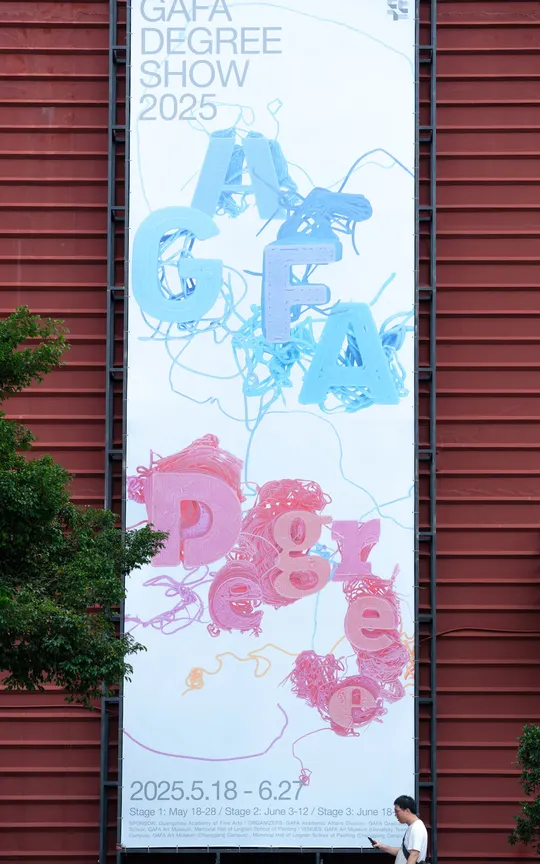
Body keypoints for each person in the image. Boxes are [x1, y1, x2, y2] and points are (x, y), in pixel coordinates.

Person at [373, 795, 428, 863]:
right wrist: (381, 846)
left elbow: (414, 855)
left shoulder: (417, 827)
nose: (395, 814)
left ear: (407, 811)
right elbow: (402, 853)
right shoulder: (413, 827)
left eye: (397, 811)